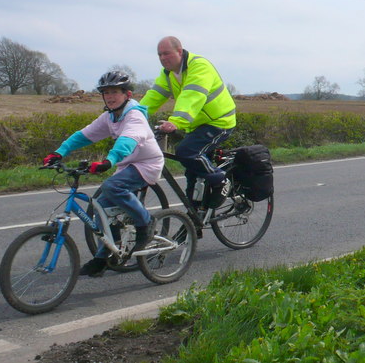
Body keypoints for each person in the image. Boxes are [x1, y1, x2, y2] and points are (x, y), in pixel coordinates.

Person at [43, 71, 164, 277]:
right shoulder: (110, 116)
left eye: (115, 92)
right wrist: (59, 152)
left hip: (146, 164)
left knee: (111, 186)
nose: (110, 96)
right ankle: (104, 256)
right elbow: (84, 135)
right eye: (106, 92)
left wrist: (108, 161)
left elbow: (128, 140)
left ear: (127, 94)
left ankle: (145, 221)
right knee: (101, 209)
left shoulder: (134, 114)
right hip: (127, 165)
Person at [139, 36, 236, 210]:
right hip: (198, 125)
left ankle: (220, 179)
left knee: (186, 152)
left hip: (219, 122)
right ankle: (193, 224)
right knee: (192, 176)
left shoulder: (199, 66)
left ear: (179, 51)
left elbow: (192, 95)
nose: (162, 58)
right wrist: (132, 115)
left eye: (166, 53)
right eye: (159, 55)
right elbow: (154, 96)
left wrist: (176, 122)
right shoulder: (168, 74)